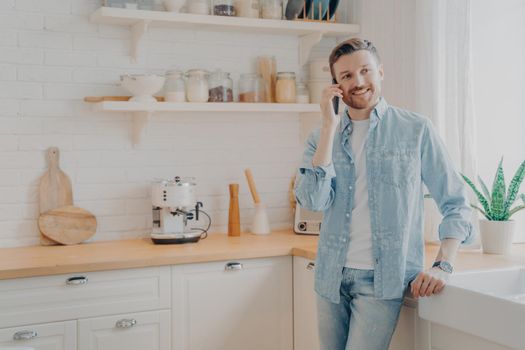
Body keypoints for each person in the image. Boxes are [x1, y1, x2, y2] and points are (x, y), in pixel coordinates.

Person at [294, 38, 473, 350]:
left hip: (381, 282)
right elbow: (313, 201)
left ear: (380, 72)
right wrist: (328, 126)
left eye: (365, 71)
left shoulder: (416, 129)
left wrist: (443, 263)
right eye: (347, 76)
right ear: (336, 85)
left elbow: (456, 202)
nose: (359, 82)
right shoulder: (321, 136)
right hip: (330, 277)